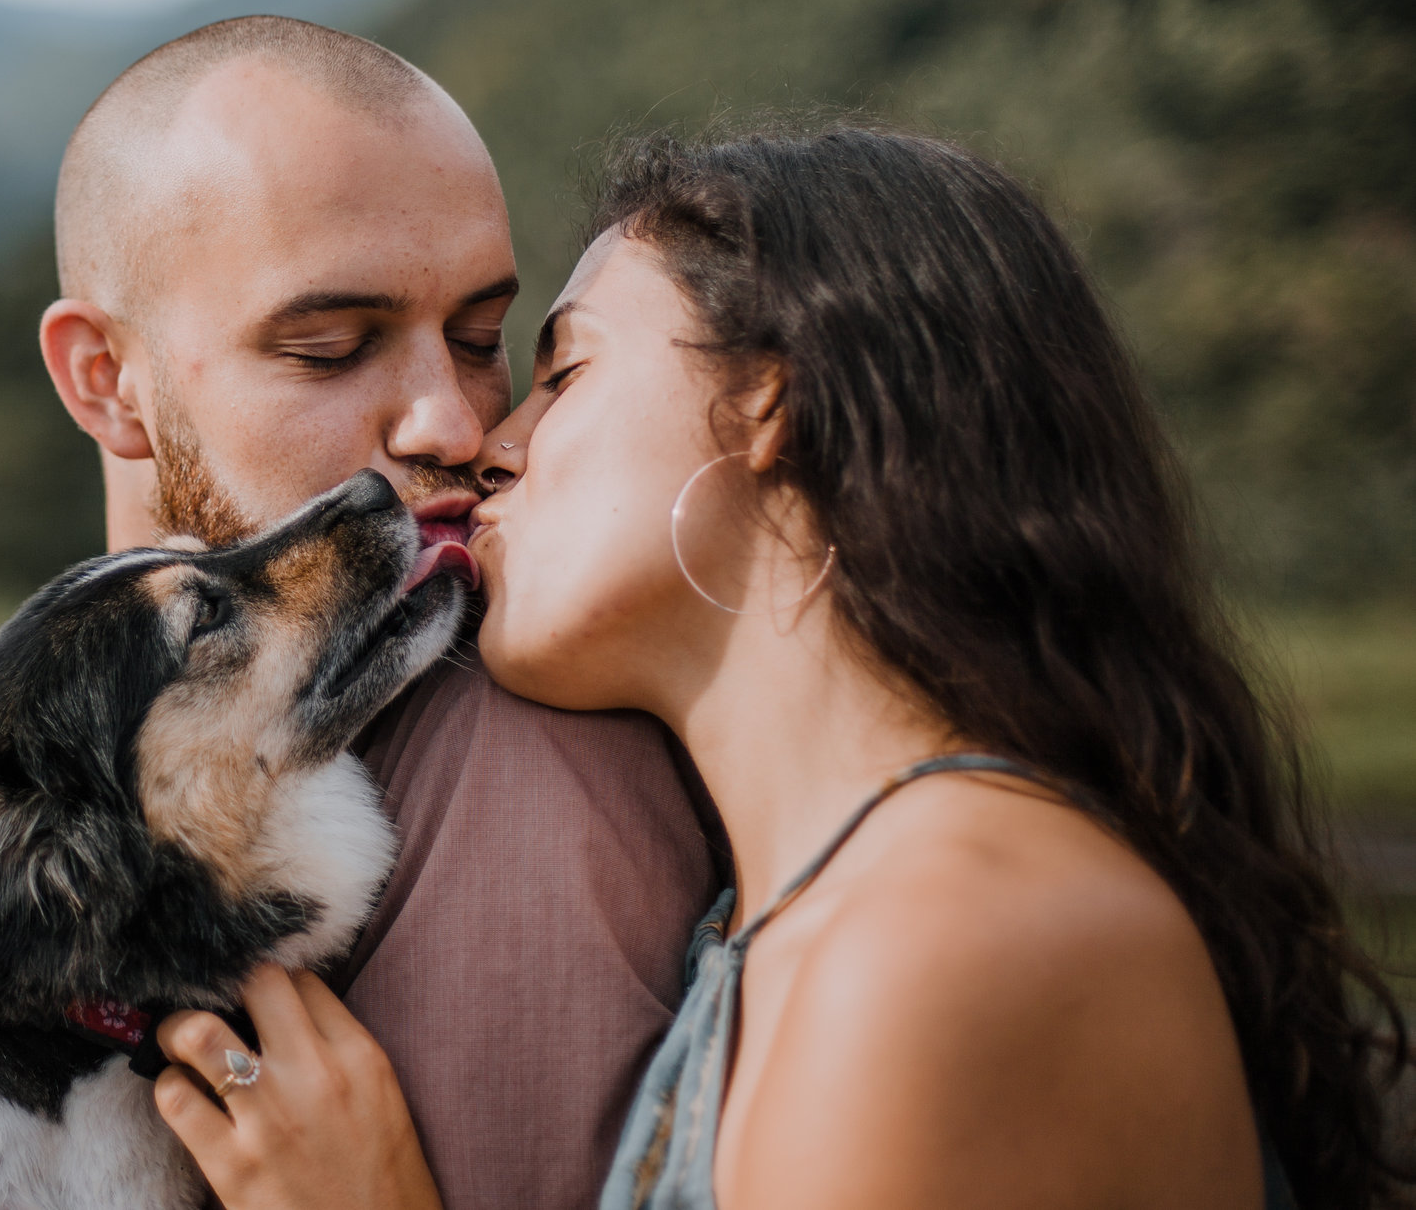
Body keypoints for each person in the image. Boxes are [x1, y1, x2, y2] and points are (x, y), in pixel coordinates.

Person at [149, 125, 1406, 1209]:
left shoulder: (943, 933)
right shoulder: (806, 914)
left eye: (566, 367)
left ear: (769, 401)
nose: (490, 442)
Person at [0, 17, 718, 1207]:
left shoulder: (532, 762)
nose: (453, 425)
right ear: (105, 377)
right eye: (331, 346)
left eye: (477, 338)